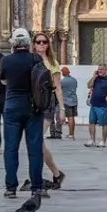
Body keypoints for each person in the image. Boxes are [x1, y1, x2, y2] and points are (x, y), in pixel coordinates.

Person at [0, 30, 50, 199]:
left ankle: (11, 188)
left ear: (13, 43)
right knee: (35, 148)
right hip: (32, 107)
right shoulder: (35, 58)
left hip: (12, 107)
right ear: (28, 43)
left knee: (11, 148)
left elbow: (3, 80)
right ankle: (37, 187)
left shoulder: (5, 60)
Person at [31, 33, 67, 187]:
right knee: (37, 143)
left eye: (44, 42)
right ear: (33, 44)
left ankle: (39, 179)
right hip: (31, 103)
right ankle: (57, 174)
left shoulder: (53, 63)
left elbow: (58, 88)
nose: (41, 45)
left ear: (48, 45)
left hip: (46, 103)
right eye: (38, 42)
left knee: (37, 141)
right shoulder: (30, 61)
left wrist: (62, 109)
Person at [85, 64, 107, 147]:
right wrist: (94, 77)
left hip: (103, 105)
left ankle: (103, 141)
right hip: (94, 104)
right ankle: (92, 140)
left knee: (104, 123)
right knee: (91, 122)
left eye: (101, 69)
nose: (99, 71)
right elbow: (89, 85)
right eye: (98, 69)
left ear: (106, 70)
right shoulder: (96, 78)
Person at [58, 65, 79, 140]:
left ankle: (71, 134)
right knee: (72, 117)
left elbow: (59, 90)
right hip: (74, 100)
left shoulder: (63, 81)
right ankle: (72, 133)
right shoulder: (74, 80)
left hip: (67, 101)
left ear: (63, 73)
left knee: (70, 117)